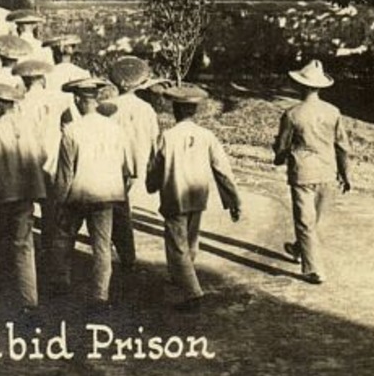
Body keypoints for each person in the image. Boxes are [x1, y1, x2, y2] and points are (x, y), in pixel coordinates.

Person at [147, 83, 242, 312]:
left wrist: (152, 185)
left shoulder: (167, 136)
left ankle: (193, 292)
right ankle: (181, 275)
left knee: (177, 243)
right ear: (195, 111)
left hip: (174, 194)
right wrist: (233, 201)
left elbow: (155, 167)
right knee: (190, 239)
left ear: (175, 110)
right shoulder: (206, 136)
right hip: (198, 195)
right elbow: (222, 169)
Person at [272, 59, 353, 284]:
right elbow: (342, 146)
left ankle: (313, 269)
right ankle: (301, 251)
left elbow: (282, 146)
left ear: (300, 86)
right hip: (328, 171)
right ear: (320, 87)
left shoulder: (292, 114)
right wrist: (346, 174)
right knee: (315, 219)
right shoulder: (333, 112)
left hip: (302, 171)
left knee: (306, 221)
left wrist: (278, 157)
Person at [52, 79, 133, 305]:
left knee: (63, 238)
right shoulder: (115, 128)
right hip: (106, 194)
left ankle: (62, 281)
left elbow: (65, 172)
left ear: (78, 99)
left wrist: (59, 200)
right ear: (95, 99)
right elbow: (124, 166)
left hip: (79, 193)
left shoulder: (71, 131)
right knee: (102, 245)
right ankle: (100, 293)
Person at [0, 79, 46, 312]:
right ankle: (29, 299)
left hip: (2, 194)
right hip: (27, 192)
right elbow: (42, 154)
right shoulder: (29, 124)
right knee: (24, 245)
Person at [106, 55, 160, 273]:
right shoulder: (146, 109)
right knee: (121, 205)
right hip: (136, 162)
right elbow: (155, 140)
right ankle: (124, 251)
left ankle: (124, 252)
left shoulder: (108, 107)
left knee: (117, 206)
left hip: (114, 161)